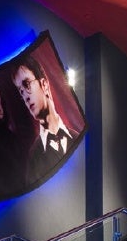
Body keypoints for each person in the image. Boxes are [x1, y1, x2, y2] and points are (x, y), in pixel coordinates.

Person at [11, 56, 79, 185]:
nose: (25, 97)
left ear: (44, 84)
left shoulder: (77, 137)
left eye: (27, 84)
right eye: (21, 92)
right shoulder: (33, 158)